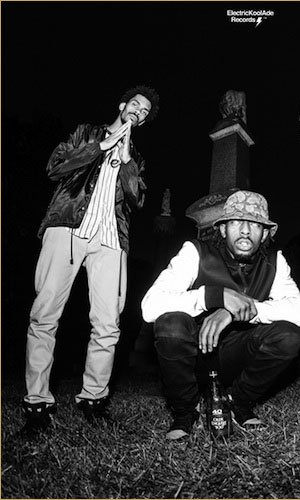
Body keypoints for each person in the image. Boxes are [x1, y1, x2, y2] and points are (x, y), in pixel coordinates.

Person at [22, 85, 160, 433]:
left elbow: (137, 200)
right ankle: (37, 404)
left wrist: (126, 161)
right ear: (122, 105)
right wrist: (101, 146)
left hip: (110, 238)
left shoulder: (136, 157)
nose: (139, 112)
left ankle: (93, 400)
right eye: (136, 105)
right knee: (45, 315)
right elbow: (55, 167)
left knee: (108, 324)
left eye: (145, 112)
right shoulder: (85, 133)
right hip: (67, 227)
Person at [141, 190, 300, 440]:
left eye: (255, 224)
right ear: (222, 229)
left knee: (288, 335)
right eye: (236, 222)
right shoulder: (195, 252)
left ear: (264, 234)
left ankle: (237, 401)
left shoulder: (275, 262)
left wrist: (237, 310)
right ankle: (186, 411)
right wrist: (213, 296)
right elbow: (150, 306)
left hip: (234, 356)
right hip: (193, 356)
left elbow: (298, 311)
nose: (245, 231)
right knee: (170, 323)